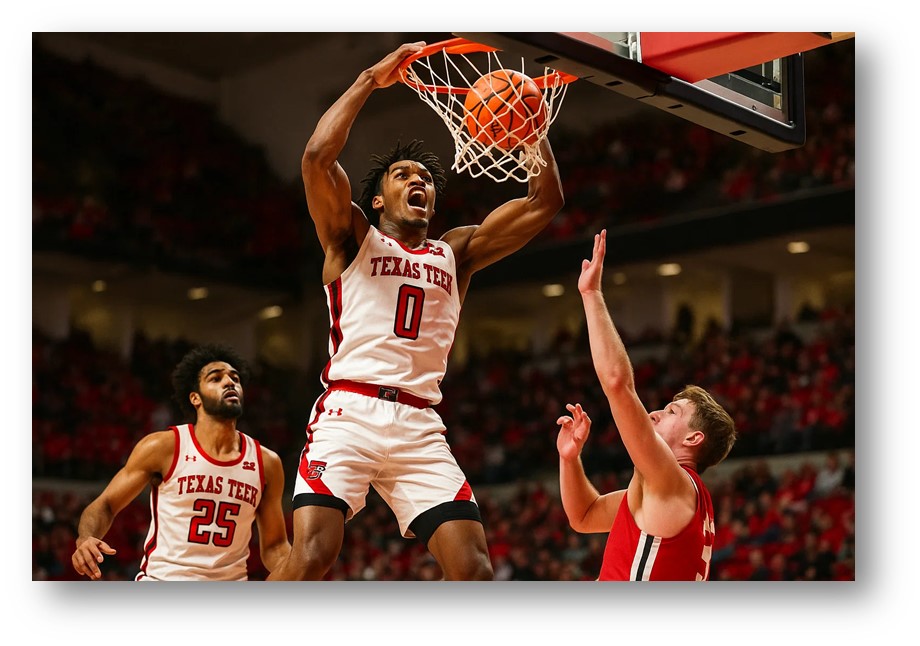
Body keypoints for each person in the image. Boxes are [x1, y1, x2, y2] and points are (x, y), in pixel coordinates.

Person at [269, 41, 564, 581]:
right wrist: (368, 79)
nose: (418, 180)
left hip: (419, 423)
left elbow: (544, 203)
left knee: (474, 570)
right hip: (351, 411)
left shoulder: (457, 251)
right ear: (378, 200)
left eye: (424, 177)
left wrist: (530, 129)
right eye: (402, 174)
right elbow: (316, 160)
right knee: (312, 556)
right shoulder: (352, 238)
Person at [555, 230, 736, 581]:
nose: (654, 412)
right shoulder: (663, 490)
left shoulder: (672, 482)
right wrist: (570, 459)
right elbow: (584, 515)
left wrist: (591, 295)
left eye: (671, 412)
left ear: (693, 439)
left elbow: (617, 383)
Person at [71, 344, 291, 581]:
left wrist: (299, 571)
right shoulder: (163, 447)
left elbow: (275, 546)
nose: (229, 382)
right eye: (216, 378)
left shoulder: (267, 463)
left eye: (235, 378)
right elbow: (106, 504)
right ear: (195, 398)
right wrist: (86, 538)